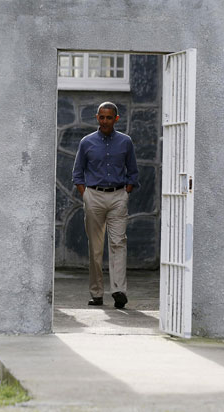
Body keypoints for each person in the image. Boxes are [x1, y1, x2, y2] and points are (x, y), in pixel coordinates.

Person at [72, 102, 139, 309]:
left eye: (109, 117)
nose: (105, 121)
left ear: (116, 119)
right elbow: (78, 173)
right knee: (96, 247)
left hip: (118, 196)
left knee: (118, 243)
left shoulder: (125, 142)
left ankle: (119, 291)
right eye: (101, 117)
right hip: (94, 197)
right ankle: (97, 293)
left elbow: (133, 171)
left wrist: (126, 192)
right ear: (97, 117)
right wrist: (87, 196)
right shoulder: (86, 142)